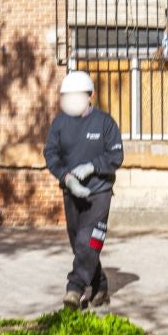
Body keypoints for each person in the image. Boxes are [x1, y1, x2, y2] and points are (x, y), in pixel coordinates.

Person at [43, 70, 124, 309]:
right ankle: (100, 287)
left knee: (89, 240)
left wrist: (93, 167)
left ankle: (74, 289)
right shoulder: (60, 123)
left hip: (99, 192)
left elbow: (116, 155)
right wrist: (66, 177)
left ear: (91, 95)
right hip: (72, 192)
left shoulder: (104, 123)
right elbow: (51, 153)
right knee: (79, 243)